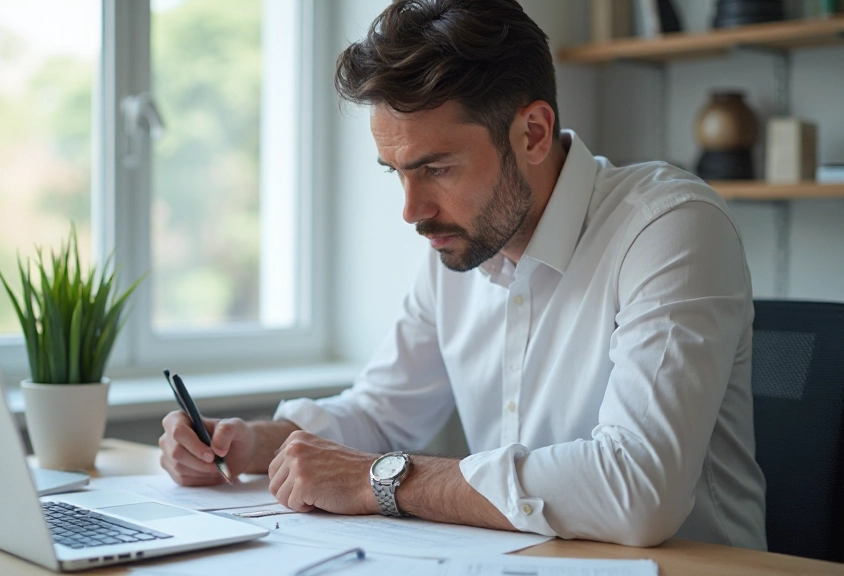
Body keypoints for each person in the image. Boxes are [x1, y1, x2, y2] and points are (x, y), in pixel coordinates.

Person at [159, 0, 766, 550]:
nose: (411, 211)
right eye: (394, 171)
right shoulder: (459, 242)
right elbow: (383, 414)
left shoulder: (670, 227)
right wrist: (262, 444)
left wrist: (382, 480)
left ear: (532, 133)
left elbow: (637, 491)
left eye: (437, 168)